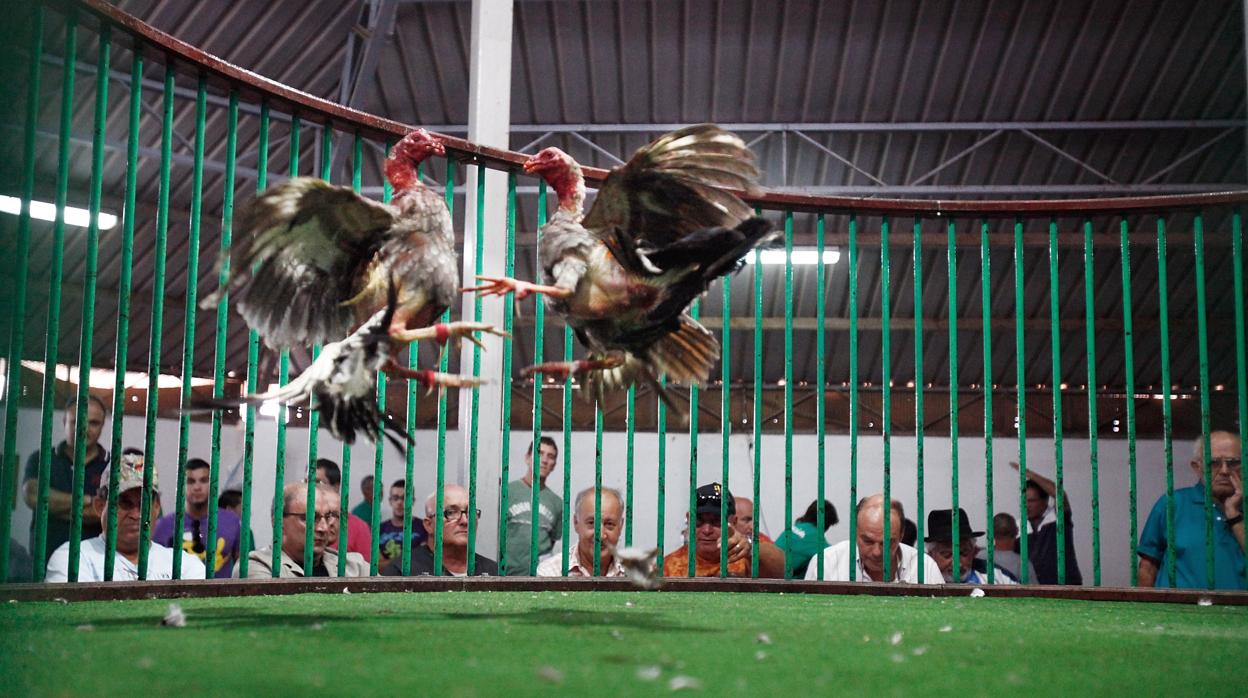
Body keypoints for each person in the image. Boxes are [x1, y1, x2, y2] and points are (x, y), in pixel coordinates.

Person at [45, 450, 205, 582]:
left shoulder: (185, 564)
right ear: (100, 507)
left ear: (156, 508)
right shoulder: (74, 558)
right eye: (125, 503)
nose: (136, 515)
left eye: (144, 504)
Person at [1138, 431, 1245, 589]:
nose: (1224, 471)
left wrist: (1235, 517)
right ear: (1197, 467)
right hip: (1177, 611)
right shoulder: (1173, 504)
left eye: (1233, 462)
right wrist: (1144, 611)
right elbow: (1148, 568)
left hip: (1240, 612)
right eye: (1214, 463)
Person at [22, 395, 111, 564]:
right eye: (77, 421)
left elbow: (107, 513)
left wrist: (52, 507)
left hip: (94, 566)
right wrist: (88, 500)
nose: (85, 428)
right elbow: (32, 496)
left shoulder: (112, 465)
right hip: (43, 563)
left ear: (102, 426)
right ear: (64, 422)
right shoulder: (42, 459)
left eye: (94, 423)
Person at [236, 482, 367, 578]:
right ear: (278, 522)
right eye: (310, 518)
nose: (324, 528)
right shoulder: (258, 566)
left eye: (327, 517)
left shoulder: (353, 566)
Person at [805, 494, 942, 584]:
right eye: (868, 541)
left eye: (887, 543)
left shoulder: (925, 568)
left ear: (901, 535)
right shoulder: (826, 564)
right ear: (854, 532)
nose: (877, 552)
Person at [663, 483, 785, 578]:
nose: (707, 530)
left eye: (716, 521)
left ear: (734, 522)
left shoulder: (749, 549)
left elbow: (783, 569)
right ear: (689, 519)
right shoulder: (670, 566)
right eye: (699, 521)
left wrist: (750, 549)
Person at [153, 457, 242, 578]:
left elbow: (242, 568)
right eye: (190, 481)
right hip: (178, 594)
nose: (197, 487)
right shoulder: (163, 526)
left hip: (222, 595)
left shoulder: (232, 522)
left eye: (203, 480)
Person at [382, 484, 497, 576]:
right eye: (451, 513)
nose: (464, 521)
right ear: (429, 525)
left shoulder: (494, 573)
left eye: (470, 512)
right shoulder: (402, 572)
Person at [1010, 462, 1083, 585]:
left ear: (1045, 500)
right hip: (1035, 591)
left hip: (1066, 587)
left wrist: (1029, 474)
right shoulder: (1018, 527)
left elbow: (1059, 494)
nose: (1027, 506)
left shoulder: (1057, 519)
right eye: (1024, 501)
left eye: (1032, 501)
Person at [503, 437, 563, 575]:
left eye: (550, 456)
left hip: (540, 578)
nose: (544, 460)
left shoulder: (557, 502)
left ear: (554, 465)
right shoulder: (507, 491)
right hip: (504, 575)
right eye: (539, 453)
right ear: (527, 458)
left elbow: (553, 541)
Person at [537, 487, 625, 577]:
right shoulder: (550, 573)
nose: (601, 535)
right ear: (576, 523)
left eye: (609, 524)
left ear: (620, 526)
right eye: (591, 523)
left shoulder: (635, 574)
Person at [924, 508, 1017, 585]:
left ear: (974, 551)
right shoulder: (920, 578)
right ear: (931, 555)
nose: (958, 564)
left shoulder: (997, 577)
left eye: (964, 553)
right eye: (947, 555)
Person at [314, 459, 373, 562]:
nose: (309, 487)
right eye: (306, 481)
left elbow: (366, 573)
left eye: (317, 482)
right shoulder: (297, 522)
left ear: (336, 486)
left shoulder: (359, 527)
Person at [773, 499, 839, 579]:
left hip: (767, 572)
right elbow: (834, 555)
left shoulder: (796, 526)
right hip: (782, 581)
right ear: (827, 523)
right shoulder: (815, 538)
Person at [378, 478, 424, 568]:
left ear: (413, 501)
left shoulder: (424, 527)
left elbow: (422, 562)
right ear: (390, 501)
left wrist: (388, 563)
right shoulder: (379, 529)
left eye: (405, 498)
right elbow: (377, 565)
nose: (399, 502)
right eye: (395, 498)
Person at [979, 512, 1036, 583]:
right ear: (1017, 531)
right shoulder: (1023, 564)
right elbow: (1034, 592)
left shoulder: (979, 557)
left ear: (991, 533)